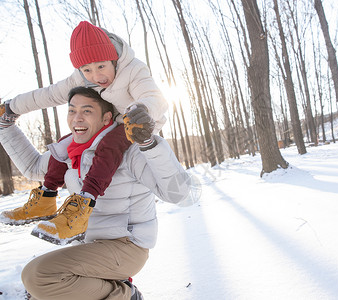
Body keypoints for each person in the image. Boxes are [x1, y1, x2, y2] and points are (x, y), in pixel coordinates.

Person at [0, 86, 194, 299]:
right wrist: (5, 126)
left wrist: (148, 144)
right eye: (72, 111)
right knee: (41, 291)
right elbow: (33, 168)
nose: (77, 118)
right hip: (89, 244)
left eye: (87, 111)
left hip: (127, 246)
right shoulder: (69, 152)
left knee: (38, 276)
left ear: (106, 118)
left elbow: (180, 194)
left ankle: (124, 295)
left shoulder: (128, 150)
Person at [0, 21, 168, 243]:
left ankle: (85, 202)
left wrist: (141, 111)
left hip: (138, 122)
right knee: (68, 144)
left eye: (101, 66)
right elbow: (49, 95)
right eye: (87, 70)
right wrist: (13, 107)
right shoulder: (80, 77)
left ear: (113, 59)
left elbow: (155, 97)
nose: (95, 76)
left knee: (110, 144)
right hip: (104, 122)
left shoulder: (133, 70)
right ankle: (47, 196)